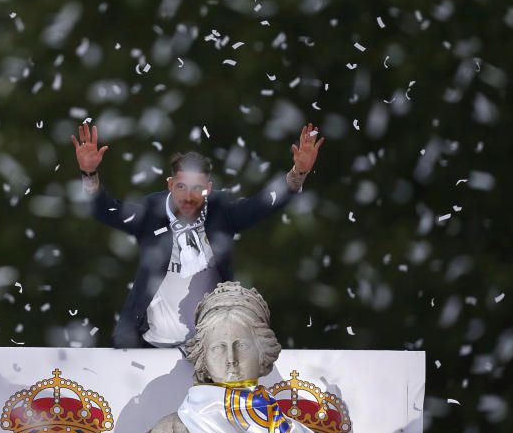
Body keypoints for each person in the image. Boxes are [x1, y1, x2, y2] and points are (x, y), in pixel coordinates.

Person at [80, 282, 377, 433]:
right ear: (203, 358)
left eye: (242, 345)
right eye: (218, 347)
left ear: (263, 354)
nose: (231, 359)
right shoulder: (173, 432)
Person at [72, 122, 324, 348]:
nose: (188, 196)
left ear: (208, 189)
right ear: (170, 184)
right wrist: (89, 174)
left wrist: (297, 173)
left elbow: (263, 204)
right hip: (147, 343)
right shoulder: (152, 213)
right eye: (181, 187)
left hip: (210, 348)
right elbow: (107, 211)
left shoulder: (221, 213)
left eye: (197, 189)